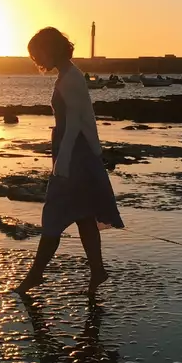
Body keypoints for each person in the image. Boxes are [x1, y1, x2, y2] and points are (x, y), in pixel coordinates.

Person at [14, 27, 124, 293]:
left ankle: (35, 276)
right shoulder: (68, 75)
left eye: (37, 54)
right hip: (73, 151)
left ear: (50, 48)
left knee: (53, 215)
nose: (36, 61)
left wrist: (62, 164)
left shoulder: (70, 78)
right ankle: (97, 271)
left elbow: (75, 124)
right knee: (84, 214)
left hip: (74, 155)